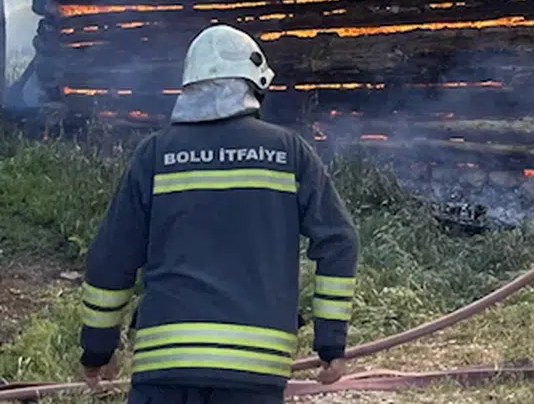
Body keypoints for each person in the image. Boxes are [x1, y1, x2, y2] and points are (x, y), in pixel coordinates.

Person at [77, 24, 360, 404]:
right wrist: (331, 344)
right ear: (254, 84)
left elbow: (111, 260)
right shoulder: (288, 153)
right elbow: (339, 241)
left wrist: (97, 350)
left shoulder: (156, 155)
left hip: (166, 366)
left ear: (188, 86)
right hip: (255, 370)